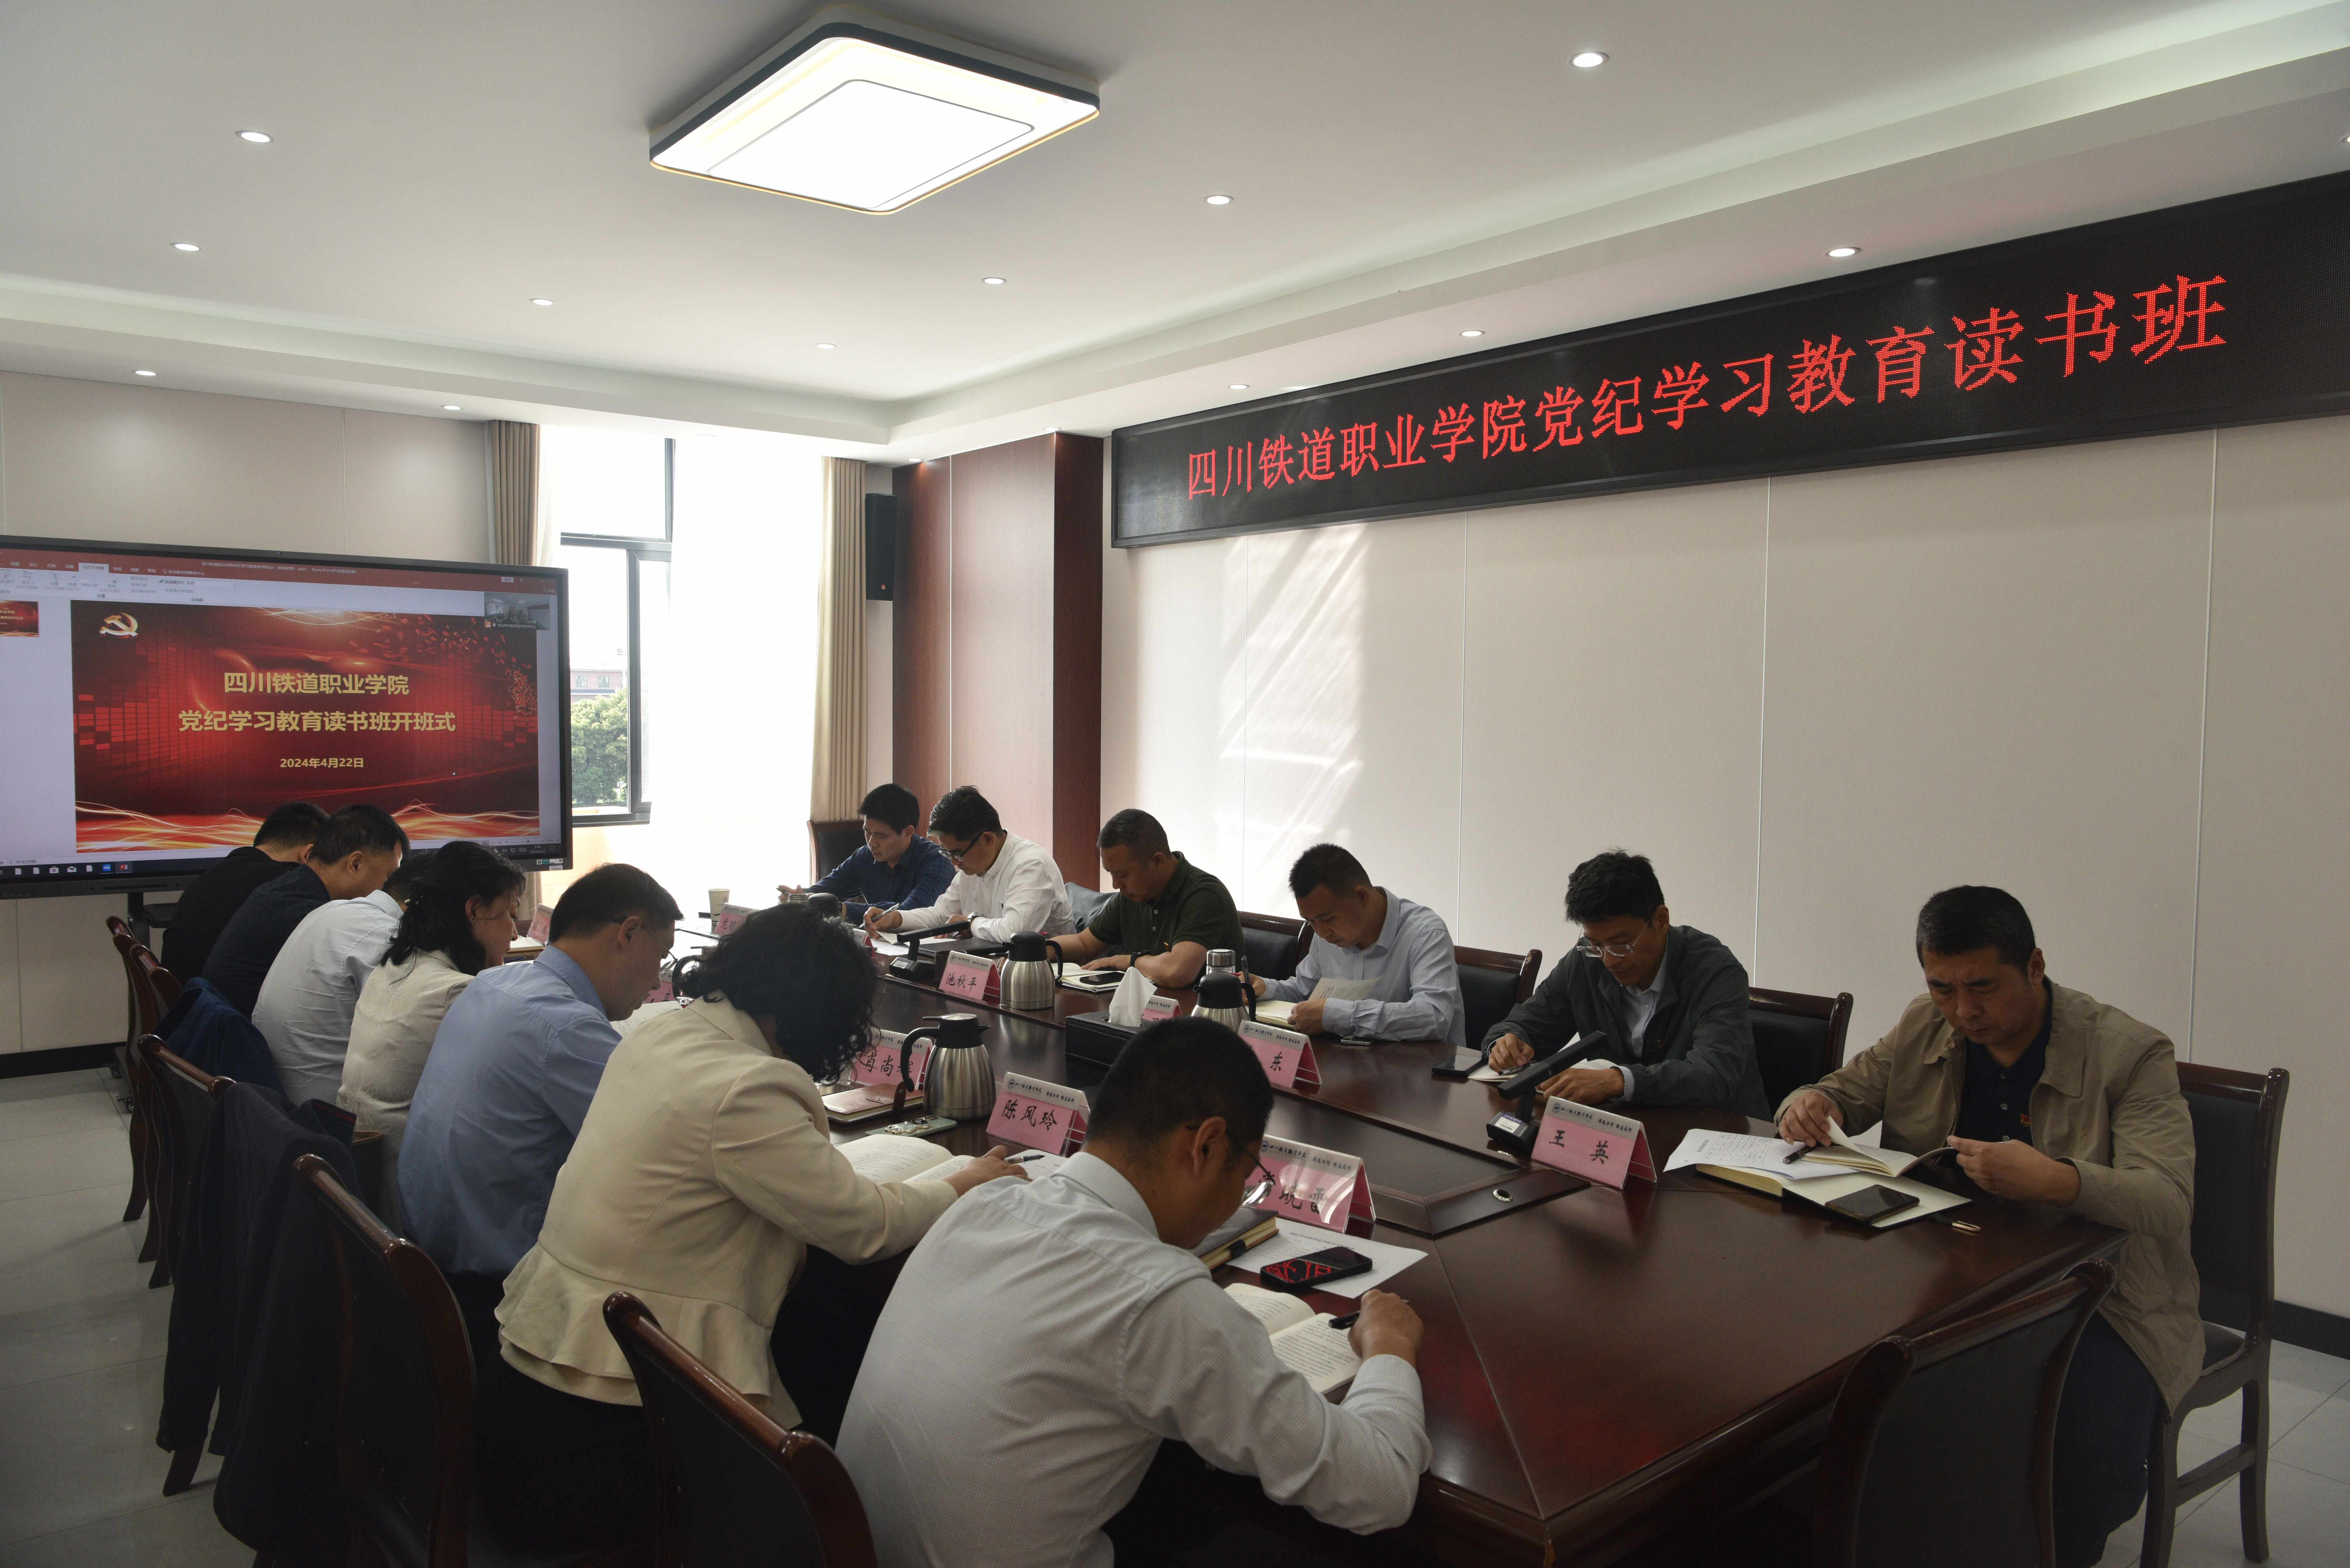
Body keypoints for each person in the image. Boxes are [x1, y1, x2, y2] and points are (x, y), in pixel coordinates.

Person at [490, 904, 1027, 1544]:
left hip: (544, 1379)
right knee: (837, 1329)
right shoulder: (745, 1085)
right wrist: (964, 1180)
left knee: (821, 1313)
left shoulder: (665, 1031)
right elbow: (865, 1228)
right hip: (615, 1432)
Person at [838, 1016, 1430, 1568]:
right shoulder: (1156, 1297)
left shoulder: (982, 1205)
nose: (1240, 1197)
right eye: (1249, 1171)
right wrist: (1389, 1349)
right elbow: (1381, 1486)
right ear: (1206, 1145)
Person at [1776, 886, 2198, 1568]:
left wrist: (2056, 1179)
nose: (1963, 1011)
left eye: (1982, 987)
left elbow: (2168, 1200)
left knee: (2082, 1463)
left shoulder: (2128, 1051)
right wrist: (1810, 1101)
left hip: (2102, 1296)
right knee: (1830, 1396)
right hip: (1939, 1271)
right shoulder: (1926, 1023)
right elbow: (1845, 1090)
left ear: (2034, 966)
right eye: (1941, 987)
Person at [399, 863, 680, 1340]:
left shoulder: (494, 983)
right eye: (662, 954)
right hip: (501, 1297)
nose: (657, 981)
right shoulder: (567, 1027)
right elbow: (666, 1153)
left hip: (430, 1266)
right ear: (629, 933)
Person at [1482, 849, 1767, 1118]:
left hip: (1716, 1132)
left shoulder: (1715, 971)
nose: (1609, 961)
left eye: (1622, 944)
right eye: (1596, 945)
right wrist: (1507, 1042)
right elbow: (1527, 1023)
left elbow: (1715, 1075)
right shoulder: (1586, 961)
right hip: (1623, 1127)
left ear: (1661, 921)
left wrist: (1619, 1081)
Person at [338, 842, 528, 1225]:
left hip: (363, 1186)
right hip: (413, 1204)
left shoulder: (395, 967)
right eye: (510, 915)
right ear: (474, 910)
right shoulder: (455, 993)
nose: (514, 934)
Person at [253, 849, 428, 1106]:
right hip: (322, 1112)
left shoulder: (335, 909)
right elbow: (411, 1047)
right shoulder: (385, 935)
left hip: (279, 1094)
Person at [202, 804, 408, 1016]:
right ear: (356, 864)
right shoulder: (315, 916)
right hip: (248, 1034)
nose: (388, 891)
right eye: (388, 879)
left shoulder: (289, 890)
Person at [1253, 843, 1464, 1046]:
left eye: (1329, 919)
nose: (1321, 933)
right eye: (1311, 922)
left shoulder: (1425, 934)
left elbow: (1434, 1016)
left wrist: (1338, 1016)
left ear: (1362, 897)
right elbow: (1304, 991)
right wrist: (1264, 989)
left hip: (1424, 1067)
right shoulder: (1326, 934)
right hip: (1350, 1061)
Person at [1044, 810, 1244, 989]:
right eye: (1111, 874)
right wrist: (1034, 951)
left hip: (1199, 1014)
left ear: (1157, 862)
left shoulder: (1204, 896)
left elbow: (1177, 972)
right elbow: (1083, 945)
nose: (1116, 885)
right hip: (1144, 1011)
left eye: (1123, 875)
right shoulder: (1132, 896)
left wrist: (1128, 962)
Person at [863, 784, 1074, 942]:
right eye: (947, 854)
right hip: (993, 965)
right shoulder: (971, 867)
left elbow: (1014, 932)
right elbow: (941, 915)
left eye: (958, 854)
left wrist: (971, 922)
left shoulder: (1030, 865)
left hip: (1053, 974)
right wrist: (896, 918)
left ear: (987, 839)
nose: (955, 863)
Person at [161, 802, 326, 983]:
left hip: (185, 995)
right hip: (219, 998)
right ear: (308, 854)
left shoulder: (213, 876)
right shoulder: (287, 886)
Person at [784, 782, 955, 922]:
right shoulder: (865, 856)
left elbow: (912, 912)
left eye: (881, 836)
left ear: (908, 832)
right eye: (867, 832)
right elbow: (827, 889)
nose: (872, 843)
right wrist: (800, 898)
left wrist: (842, 910)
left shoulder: (937, 861)